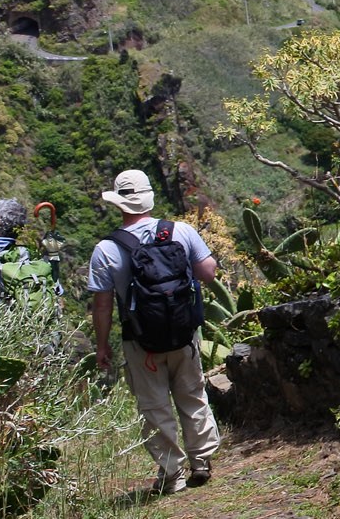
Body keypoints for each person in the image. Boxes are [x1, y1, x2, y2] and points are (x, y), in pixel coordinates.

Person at [87, 169, 222, 495]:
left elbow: (102, 306)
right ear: (148, 199)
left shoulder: (106, 249)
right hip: (183, 335)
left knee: (155, 406)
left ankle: (171, 475)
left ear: (119, 204)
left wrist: (102, 347)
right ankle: (201, 462)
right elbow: (208, 273)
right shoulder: (181, 231)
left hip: (140, 342)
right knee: (192, 394)